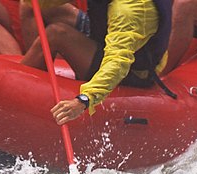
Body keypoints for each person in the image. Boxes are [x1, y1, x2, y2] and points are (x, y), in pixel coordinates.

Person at [21, 0, 173, 125]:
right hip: (104, 31)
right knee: (30, 6)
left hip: (133, 69)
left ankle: (20, 95)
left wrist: (85, 99)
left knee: (56, 34)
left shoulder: (130, 10)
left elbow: (118, 62)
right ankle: (33, 76)